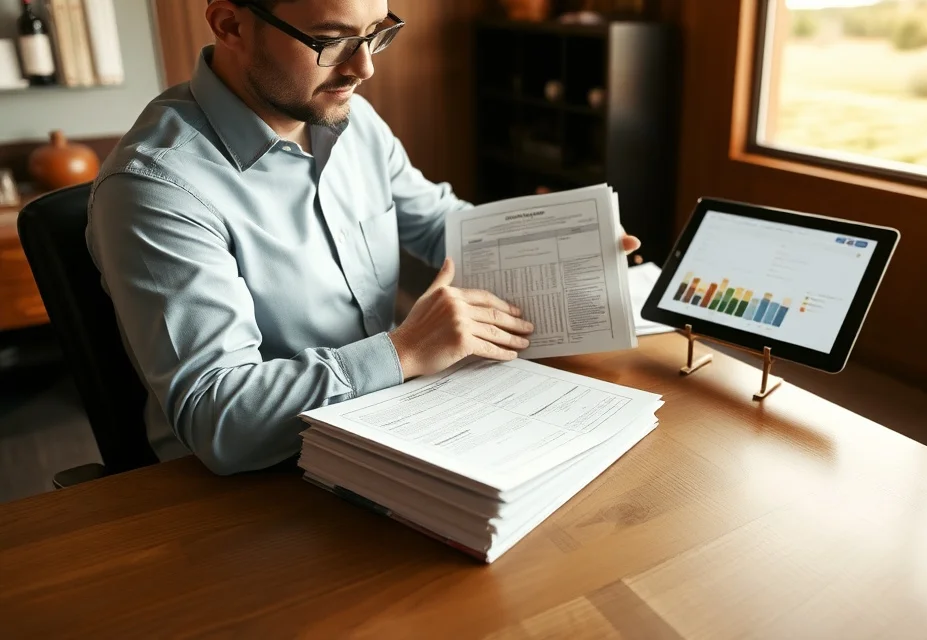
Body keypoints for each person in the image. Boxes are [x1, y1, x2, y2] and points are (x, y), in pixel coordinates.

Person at [86, 0, 641, 475]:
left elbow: (436, 222)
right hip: (259, 485)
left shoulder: (353, 121)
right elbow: (221, 420)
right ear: (230, 25)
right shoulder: (156, 188)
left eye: (377, 33)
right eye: (331, 41)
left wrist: (555, 241)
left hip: (397, 421)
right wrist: (404, 350)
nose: (365, 67)